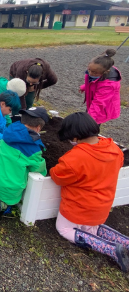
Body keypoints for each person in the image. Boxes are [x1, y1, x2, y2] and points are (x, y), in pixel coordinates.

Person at [50, 112, 129, 272]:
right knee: (90, 227)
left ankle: (111, 249)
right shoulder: (114, 149)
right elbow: (119, 165)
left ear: (75, 137)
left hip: (78, 207)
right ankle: (125, 242)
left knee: (64, 229)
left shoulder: (75, 158)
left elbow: (57, 176)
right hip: (102, 207)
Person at [0, 107, 49, 224]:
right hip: (6, 186)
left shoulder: (9, 131)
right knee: (12, 197)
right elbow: (39, 170)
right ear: (38, 128)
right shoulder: (33, 148)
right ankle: (0, 204)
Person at [80, 49, 122, 126]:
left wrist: (88, 120)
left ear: (105, 72)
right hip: (93, 101)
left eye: (94, 72)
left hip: (102, 107)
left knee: (92, 124)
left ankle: (92, 135)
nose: (90, 73)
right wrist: (84, 87)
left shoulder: (109, 85)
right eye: (89, 69)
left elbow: (98, 103)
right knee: (89, 114)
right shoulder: (93, 70)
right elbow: (91, 82)